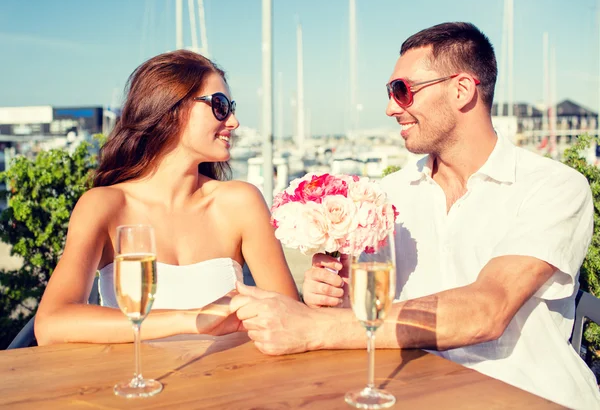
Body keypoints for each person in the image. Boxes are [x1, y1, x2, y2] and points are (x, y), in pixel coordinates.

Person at [230, 22, 600, 409]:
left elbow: (486, 310)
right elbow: (368, 317)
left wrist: (314, 328)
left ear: (461, 90)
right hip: (413, 394)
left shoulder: (554, 187)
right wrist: (332, 295)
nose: (391, 108)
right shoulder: (387, 196)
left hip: (529, 396)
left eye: (402, 91)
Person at [35, 49, 299, 345]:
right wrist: (192, 319)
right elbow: (51, 324)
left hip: (232, 384)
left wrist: (319, 298)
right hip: (140, 385)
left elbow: (291, 320)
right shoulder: (104, 206)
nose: (234, 122)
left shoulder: (240, 203)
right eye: (220, 106)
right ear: (170, 109)